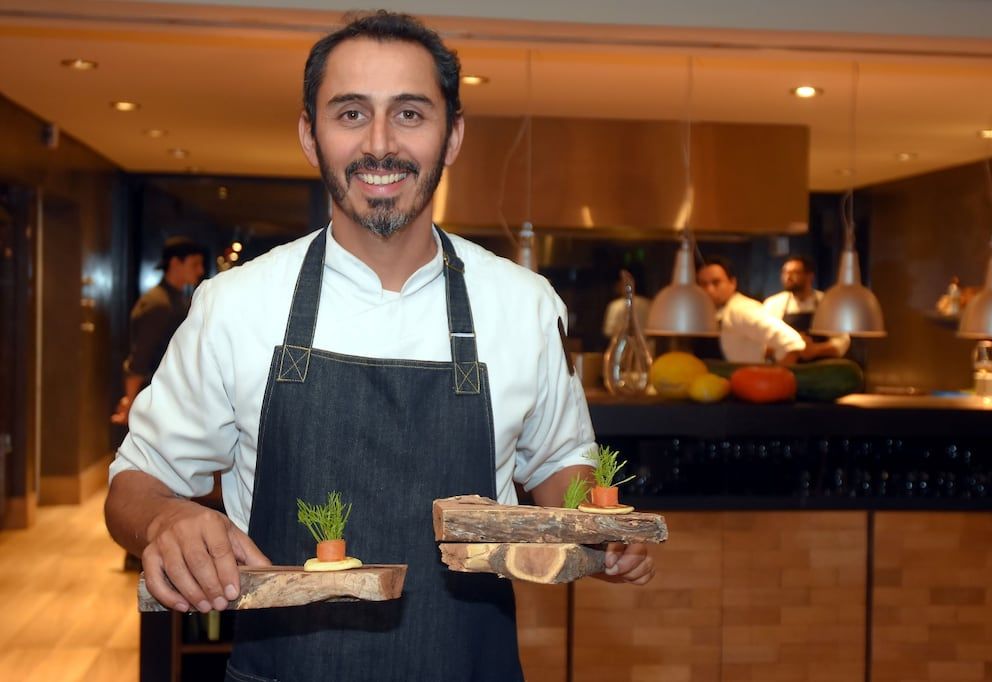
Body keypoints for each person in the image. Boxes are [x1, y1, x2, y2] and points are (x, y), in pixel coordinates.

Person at [104, 11, 653, 682]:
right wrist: (166, 519)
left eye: (411, 114)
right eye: (351, 113)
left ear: (452, 135)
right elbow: (134, 483)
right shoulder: (236, 305)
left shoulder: (523, 304)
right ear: (310, 135)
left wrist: (600, 524)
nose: (381, 144)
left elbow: (559, 465)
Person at [110, 236, 205, 425]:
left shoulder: (175, 299)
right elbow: (140, 357)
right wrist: (130, 403)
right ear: (175, 263)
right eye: (194, 264)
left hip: (164, 394)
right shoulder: (159, 303)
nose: (200, 270)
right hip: (153, 396)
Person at [695, 257, 805, 364]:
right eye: (703, 284)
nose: (709, 290)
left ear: (732, 283)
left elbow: (792, 342)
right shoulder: (714, 312)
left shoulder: (742, 310)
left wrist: (776, 377)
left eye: (716, 283)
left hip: (746, 379)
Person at [762, 256, 850, 361]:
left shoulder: (827, 302)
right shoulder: (773, 304)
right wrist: (792, 344)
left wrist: (815, 349)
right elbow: (764, 343)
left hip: (822, 369)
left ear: (810, 276)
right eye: (785, 272)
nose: (788, 277)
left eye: (794, 272)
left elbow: (842, 342)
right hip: (786, 367)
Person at [602, 272, 651, 338]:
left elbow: (608, 331)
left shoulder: (615, 306)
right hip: (647, 344)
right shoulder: (648, 303)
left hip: (623, 345)